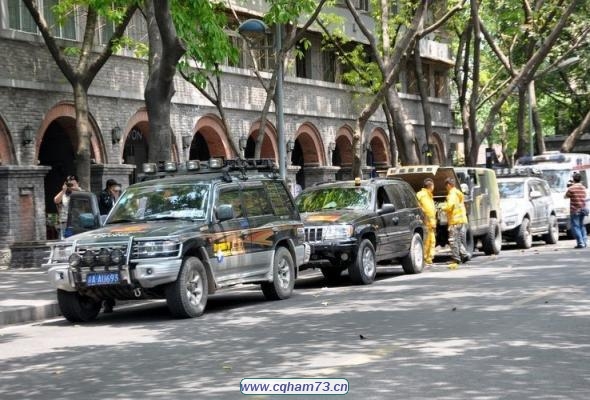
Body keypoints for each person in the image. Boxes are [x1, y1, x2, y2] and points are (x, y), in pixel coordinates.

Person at [440, 177, 469, 265]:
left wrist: (442, 207)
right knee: (458, 239)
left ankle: (456, 258)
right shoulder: (458, 193)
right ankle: (464, 255)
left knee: (453, 240)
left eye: (446, 186)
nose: (446, 188)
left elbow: (450, 206)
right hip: (461, 219)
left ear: (448, 185)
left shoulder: (452, 194)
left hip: (455, 220)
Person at [53, 175, 82, 239]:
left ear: (78, 183)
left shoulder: (81, 192)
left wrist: (76, 189)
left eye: (72, 184)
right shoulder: (64, 193)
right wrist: (63, 190)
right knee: (65, 240)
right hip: (65, 222)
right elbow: (56, 200)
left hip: (77, 222)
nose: (70, 186)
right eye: (69, 184)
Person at [565, 172, 588, 248]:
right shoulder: (583, 187)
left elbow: (565, 196)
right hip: (583, 209)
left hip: (575, 210)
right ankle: (584, 242)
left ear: (573, 179)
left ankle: (580, 242)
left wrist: (570, 186)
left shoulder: (571, 188)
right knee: (582, 225)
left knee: (576, 226)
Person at [417, 178, 436, 267]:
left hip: (431, 222)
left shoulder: (429, 195)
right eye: (433, 185)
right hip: (425, 221)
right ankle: (424, 258)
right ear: (430, 186)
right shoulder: (421, 195)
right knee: (426, 241)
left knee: (432, 241)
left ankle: (429, 259)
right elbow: (421, 207)